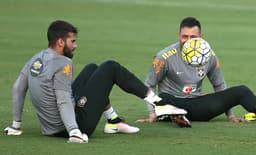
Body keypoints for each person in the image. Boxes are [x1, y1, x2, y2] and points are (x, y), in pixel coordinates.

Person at [4, 20, 186, 143]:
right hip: (69, 127)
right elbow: (63, 99)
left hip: (50, 127)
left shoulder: (36, 59)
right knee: (110, 67)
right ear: (60, 42)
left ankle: (113, 121)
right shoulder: (62, 63)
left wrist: (16, 125)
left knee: (92, 69)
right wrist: (74, 131)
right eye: (72, 41)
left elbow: (18, 88)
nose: (75, 45)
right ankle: (158, 103)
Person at [137, 17, 256, 123]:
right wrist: (152, 114)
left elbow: (219, 85)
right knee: (163, 98)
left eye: (193, 37)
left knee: (242, 91)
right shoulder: (164, 57)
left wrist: (230, 116)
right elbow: (149, 84)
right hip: (172, 103)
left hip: (199, 106)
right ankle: (174, 115)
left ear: (201, 37)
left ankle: (178, 116)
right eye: (185, 36)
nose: (188, 41)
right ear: (179, 36)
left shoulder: (209, 56)